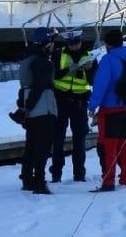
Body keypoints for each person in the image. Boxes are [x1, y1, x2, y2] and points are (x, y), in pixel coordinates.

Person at [87, 28, 126, 191]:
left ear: (107, 43)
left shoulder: (108, 60)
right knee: (124, 144)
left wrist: (92, 105)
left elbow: (100, 85)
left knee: (107, 146)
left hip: (109, 110)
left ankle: (108, 182)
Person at [50, 29, 95, 183]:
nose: (73, 46)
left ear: (81, 41)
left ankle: (79, 174)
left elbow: (93, 82)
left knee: (79, 140)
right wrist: (69, 70)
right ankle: (56, 174)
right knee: (57, 140)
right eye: (70, 44)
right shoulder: (57, 54)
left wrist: (90, 71)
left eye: (76, 43)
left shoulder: (89, 57)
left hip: (79, 103)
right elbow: (52, 75)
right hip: (60, 102)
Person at [17, 27, 58, 195]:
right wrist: (31, 105)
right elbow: (40, 85)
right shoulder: (43, 62)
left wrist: (24, 106)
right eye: (52, 42)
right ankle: (39, 182)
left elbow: (24, 86)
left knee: (31, 146)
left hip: (32, 110)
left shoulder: (28, 59)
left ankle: (27, 178)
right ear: (46, 43)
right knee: (42, 147)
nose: (54, 46)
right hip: (44, 109)